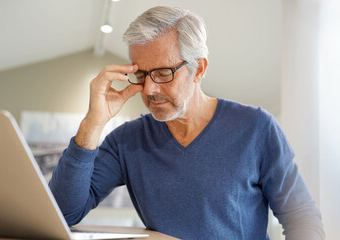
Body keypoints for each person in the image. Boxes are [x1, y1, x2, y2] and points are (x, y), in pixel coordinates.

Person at [49, 6, 325, 240]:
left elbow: (301, 218)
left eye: (163, 73)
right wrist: (93, 123)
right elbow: (63, 213)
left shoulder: (256, 128)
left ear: (199, 69)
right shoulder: (127, 141)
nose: (149, 90)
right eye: (142, 74)